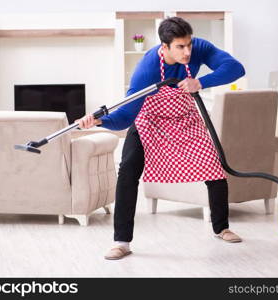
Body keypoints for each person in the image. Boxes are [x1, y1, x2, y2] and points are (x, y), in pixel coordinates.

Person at [77, 17, 246, 260]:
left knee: (214, 167)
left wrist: (200, 82)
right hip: (150, 119)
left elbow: (235, 68)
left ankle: (222, 227)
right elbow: (125, 116)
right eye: (180, 47)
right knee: (127, 172)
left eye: (188, 44)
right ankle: (121, 242)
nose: (187, 51)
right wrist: (100, 121)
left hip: (185, 117)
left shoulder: (199, 47)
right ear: (164, 46)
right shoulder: (147, 69)